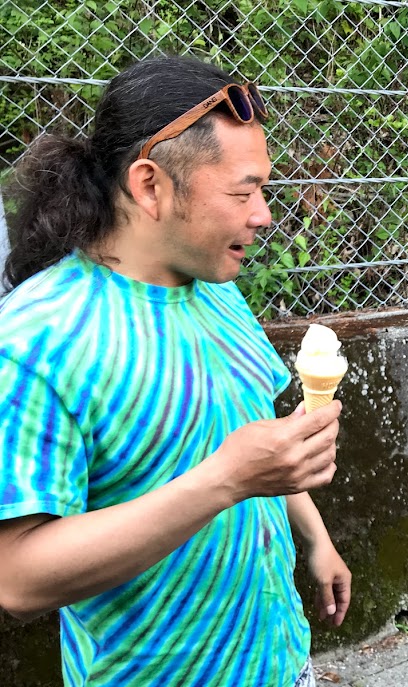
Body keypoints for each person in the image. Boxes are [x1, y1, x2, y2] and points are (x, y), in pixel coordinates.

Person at [0, 55, 351, 686]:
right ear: (150, 185)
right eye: (243, 192)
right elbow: (18, 579)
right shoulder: (37, 338)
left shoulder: (217, 287)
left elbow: (254, 438)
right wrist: (225, 480)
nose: (265, 214)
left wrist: (315, 536)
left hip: (280, 662)